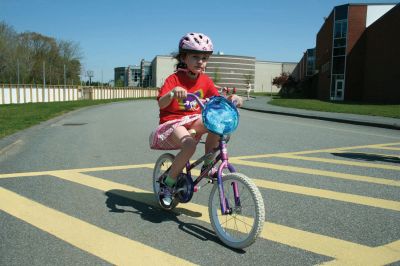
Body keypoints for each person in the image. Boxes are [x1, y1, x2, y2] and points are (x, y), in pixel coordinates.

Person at [149, 32, 242, 207]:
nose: (200, 61)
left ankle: (207, 165)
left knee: (216, 123)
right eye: (195, 57)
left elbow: (216, 102)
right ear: (183, 57)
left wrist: (233, 99)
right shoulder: (174, 79)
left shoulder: (205, 81)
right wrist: (172, 92)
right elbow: (161, 104)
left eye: (204, 58)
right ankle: (168, 184)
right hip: (172, 123)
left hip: (192, 121)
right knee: (189, 145)